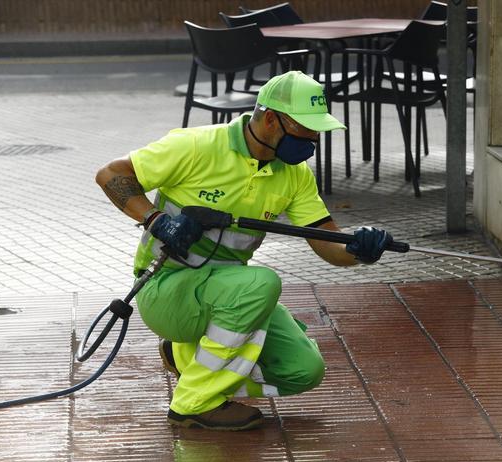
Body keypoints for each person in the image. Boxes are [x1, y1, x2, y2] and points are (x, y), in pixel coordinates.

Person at [95, 71, 392, 431]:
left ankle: (185, 355)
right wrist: (157, 220)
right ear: (270, 119)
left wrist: (360, 249)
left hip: (227, 294)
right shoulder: (197, 146)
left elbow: (328, 243)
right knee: (261, 283)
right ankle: (195, 401)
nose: (313, 138)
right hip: (166, 289)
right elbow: (111, 174)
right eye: (305, 128)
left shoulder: (294, 175)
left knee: (303, 370)